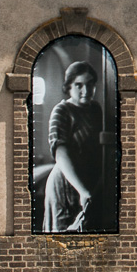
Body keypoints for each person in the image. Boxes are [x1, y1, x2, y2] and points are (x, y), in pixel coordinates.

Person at [43, 60, 104, 232]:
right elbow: (61, 153)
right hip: (66, 181)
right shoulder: (62, 111)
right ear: (69, 87)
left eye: (90, 85)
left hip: (89, 181)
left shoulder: (96, 109)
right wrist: (82, 191)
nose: (86, 91)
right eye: (79, 85)